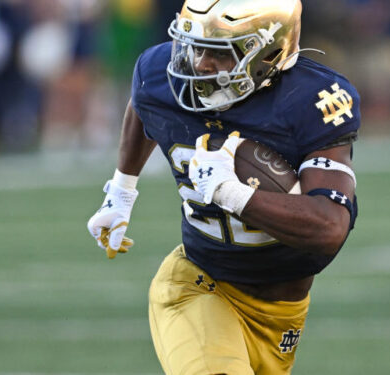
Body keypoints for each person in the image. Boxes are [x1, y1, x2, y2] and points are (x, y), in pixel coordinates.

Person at [87, 1, 360, 373]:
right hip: (198, 287)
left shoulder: (311, 101)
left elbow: (329, 227)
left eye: (218, 50)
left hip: (283, 313)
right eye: (196, 46)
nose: (199, 63)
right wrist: (121, 189)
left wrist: (233, 194)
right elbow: (145, 99)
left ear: (267, 50)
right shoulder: (163, 71)